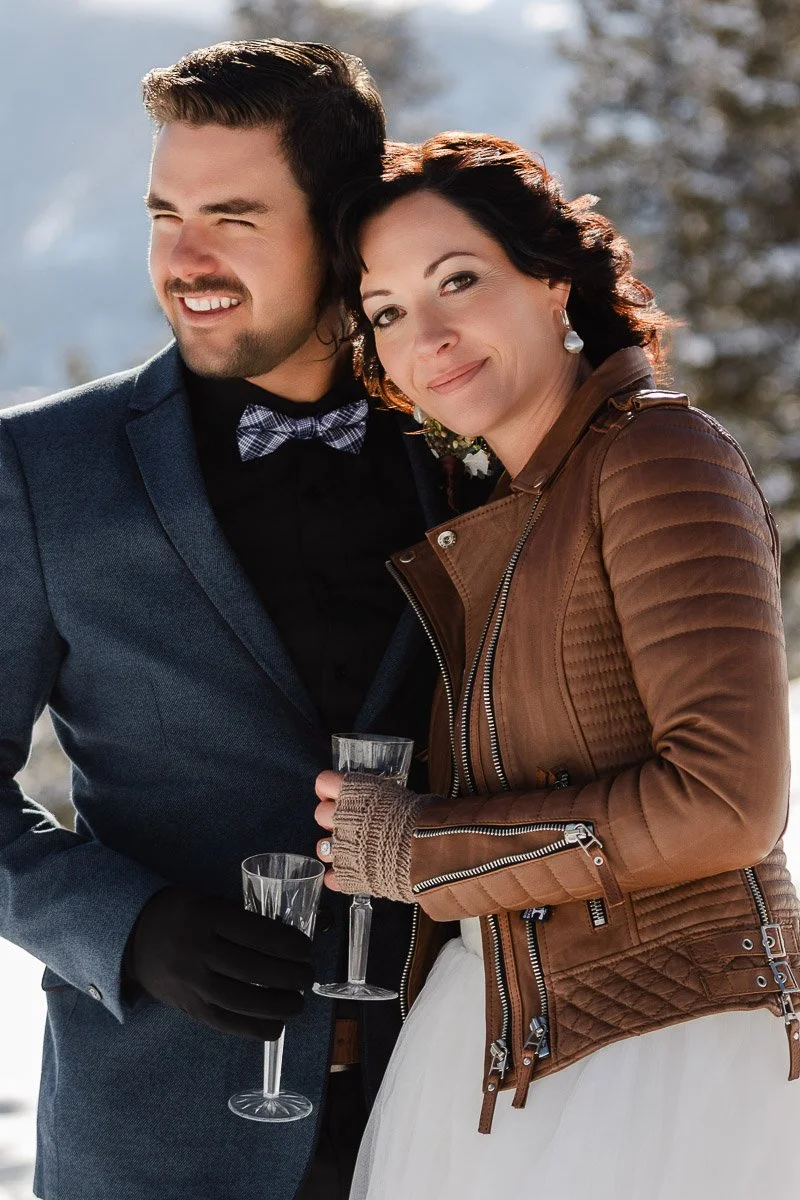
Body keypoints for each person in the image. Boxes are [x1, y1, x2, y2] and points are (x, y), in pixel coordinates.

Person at [0, 44, 491, 1200]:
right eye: (164, 215)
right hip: (157, 1139)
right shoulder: (40, 468)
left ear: (341, 228)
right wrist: (128, 927)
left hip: (456, 1114)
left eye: (231, 216)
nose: (185, 258)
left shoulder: (469, 456)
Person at [314, 132, 800, 1199]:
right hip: (508, 1041)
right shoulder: (507, 511)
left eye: (457, 280)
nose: (426, 335)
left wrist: (420, 850)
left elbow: (728, 803)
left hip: (666, 1056)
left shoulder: (657, 455)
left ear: (550, 281)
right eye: (386, 312)